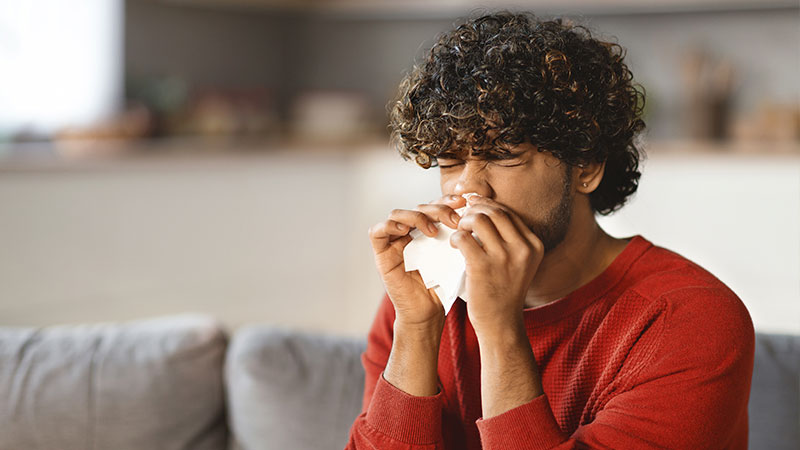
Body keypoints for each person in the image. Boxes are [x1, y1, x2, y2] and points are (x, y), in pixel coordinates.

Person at [346, 11, 753, 450]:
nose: (467, 186)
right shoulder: (422, 301)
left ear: (587, 166)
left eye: (504, 155)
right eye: (450, 161)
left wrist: (500, 330)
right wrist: (416, 329)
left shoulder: (690, 321)